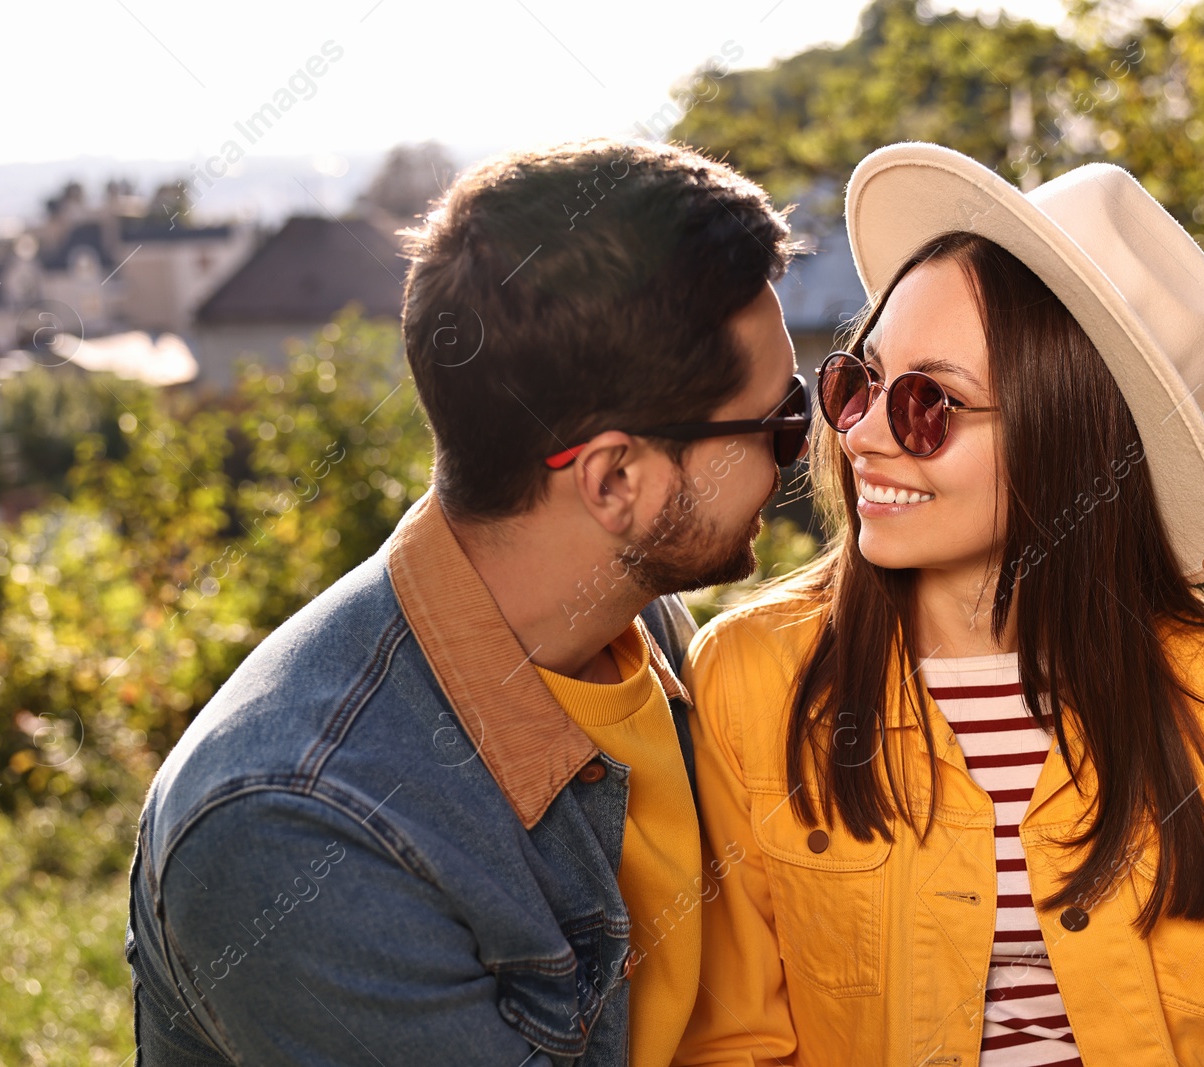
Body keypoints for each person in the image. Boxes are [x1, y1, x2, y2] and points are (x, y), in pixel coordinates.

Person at [673, 143, 1204, 1066]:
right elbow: (733, 1041)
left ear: (1071, 439)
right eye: (860, 379)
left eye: (930, 403)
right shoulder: (754, 676)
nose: (864, 433)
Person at [125, 138, 810, 1066]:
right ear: (616, 481)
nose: (804, 449)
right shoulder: (304, 826)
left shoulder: (630, 619)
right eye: (781, 422)